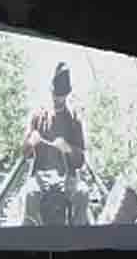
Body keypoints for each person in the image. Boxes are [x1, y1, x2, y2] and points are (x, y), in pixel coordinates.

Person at [21, 62, 90, 226]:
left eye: (62, 95)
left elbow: (80, 161)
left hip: (67, 178)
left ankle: (79, 241)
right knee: (29, 194)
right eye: (56, 94)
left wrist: (68, 148)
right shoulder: (38, 116)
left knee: (82, 193)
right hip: (41, 177)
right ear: (51, 90)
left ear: (67, 94)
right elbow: (24, 152)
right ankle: (29, 241)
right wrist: (31, 142)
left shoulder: (74, 119)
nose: (58, 98)